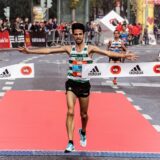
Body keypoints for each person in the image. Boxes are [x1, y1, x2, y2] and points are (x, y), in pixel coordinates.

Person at [18, 23, 137, 153]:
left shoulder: (90, 48)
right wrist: (29, 51)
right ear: (73, 35)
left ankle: (83, 131)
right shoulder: (69, 49)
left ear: (83, 35)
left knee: (84, 115)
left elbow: (107, 52)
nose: (78, 36)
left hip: (84, 85)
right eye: (76, 34)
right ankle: (70, 142)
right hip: (71, 84)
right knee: (70, 111)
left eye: (80, 34)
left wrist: (124, 56)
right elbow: (49, 50)